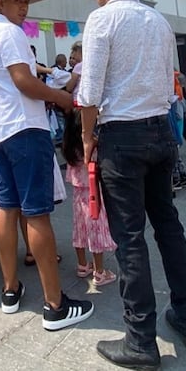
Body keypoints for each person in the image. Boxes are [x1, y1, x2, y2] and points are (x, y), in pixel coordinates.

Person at [77, 0, 186, 371]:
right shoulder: (158, 21)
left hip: (122, 137)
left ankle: (140, 340)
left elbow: (89, 91)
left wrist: (87, 137)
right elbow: (168, 82)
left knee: (130, 238)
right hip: (160, 131)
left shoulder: (102, 19)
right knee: (168, 225)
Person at [0, 0, 93, 330]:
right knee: (37, 214)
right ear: (0, 2)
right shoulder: (10, 33)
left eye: (26, 0)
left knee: (7, 208)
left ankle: (10, 289)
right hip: (24, 129)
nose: (24, 6)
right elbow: (24, 82)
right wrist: (62, 99)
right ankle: (55, 304)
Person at [60, 118, 118, 287]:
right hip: (94, 192)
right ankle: (99, 272)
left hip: (78, 194)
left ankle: (82, 265)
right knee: (95, 230)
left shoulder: (69, 147)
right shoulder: (92, 145)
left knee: (80, 229)